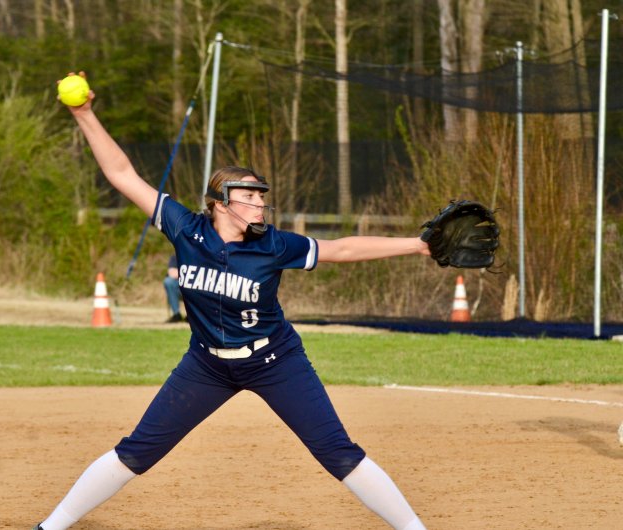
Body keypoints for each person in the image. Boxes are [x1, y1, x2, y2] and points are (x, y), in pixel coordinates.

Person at [34, 72, 430, 530]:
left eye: (261, 197)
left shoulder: (273, 245)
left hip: (275, 360)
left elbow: (340, 249)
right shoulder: (185, 229)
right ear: (221, 202)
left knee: (336, 452)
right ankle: (51, 526)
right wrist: (84, 114)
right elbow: (121, 173)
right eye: (249, 197)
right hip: (206, 366)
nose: (260, 205)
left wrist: (416, 245)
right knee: (138, 451)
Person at [164, 254, 183, 322]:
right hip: (180, 289)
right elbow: (172, 273)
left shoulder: (199, 256)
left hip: (196, 288)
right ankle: (177, 314)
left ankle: (192, 316)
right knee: (168, 281)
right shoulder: (175, 257)